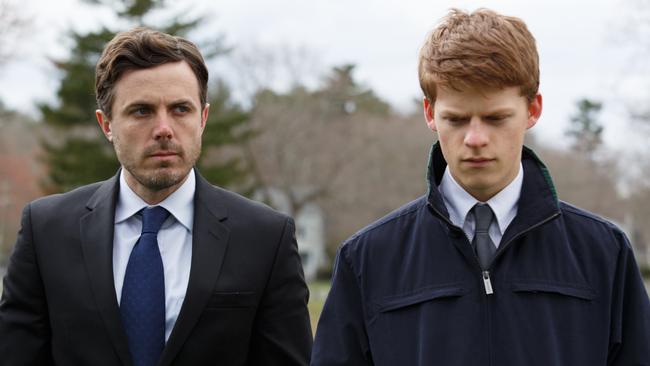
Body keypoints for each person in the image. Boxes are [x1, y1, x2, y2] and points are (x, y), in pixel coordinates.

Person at [311, 8, 650, 365]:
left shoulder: (603, 253)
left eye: (495, 118)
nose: (475, 138)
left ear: (533, 109)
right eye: (455, 119)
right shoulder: (367, 258)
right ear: (429, 113)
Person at [0, 27, 312, 366]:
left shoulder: (266, 237)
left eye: (180, 109)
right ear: (106, 124)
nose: (164, 129)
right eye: (141, 111)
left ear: (203, 118)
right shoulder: (46, 230)